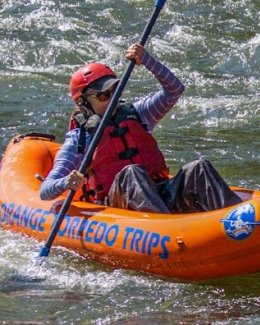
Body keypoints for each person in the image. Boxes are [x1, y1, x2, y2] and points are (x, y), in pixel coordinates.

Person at [39, 43, 239, 214]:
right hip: (120, 206)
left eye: (115, 90)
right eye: (103, 95)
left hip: (159, 193)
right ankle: (164, 232)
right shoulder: (79, 138)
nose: (113, 98)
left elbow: (174, 89)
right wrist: (66, 182)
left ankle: (238, 221)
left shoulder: (139, 113)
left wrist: (147, 60)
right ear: (83, 102)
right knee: (131, 172)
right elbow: (45, 190)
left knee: (198, 167)